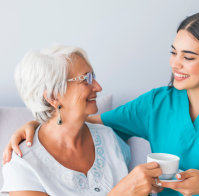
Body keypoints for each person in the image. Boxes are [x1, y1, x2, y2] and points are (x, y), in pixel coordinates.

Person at [3, 10, 199, 196]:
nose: (176, 64)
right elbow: (81, 120)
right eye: (174, 53)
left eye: (188, 57)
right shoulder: (156, 104)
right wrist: (34, 123)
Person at [0, 45, 163, 196]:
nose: (98, 87)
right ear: (52, 96)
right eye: (86, 79)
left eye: (94, 77)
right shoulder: (23, 164)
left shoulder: (108, 137)